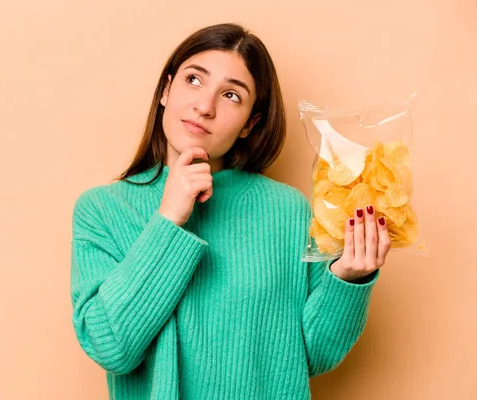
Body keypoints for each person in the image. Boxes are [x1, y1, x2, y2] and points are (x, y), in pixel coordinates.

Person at [70, 22, 389, 400]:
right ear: (166, 90)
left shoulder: (287, 211)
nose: (204, 107)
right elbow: (111, 349)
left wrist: (347, 280)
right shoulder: (101, 210)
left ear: (249, 124)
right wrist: (168, 219)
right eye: (193, 80)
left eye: (232, 96)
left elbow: (309, 357)